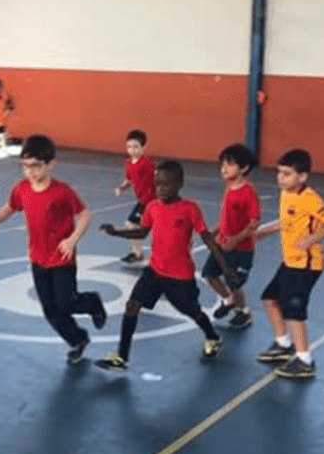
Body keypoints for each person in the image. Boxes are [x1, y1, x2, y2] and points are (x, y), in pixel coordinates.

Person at [0, 134, 107, 364]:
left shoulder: (62, 192)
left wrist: (73, 239)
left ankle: (93, 302)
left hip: (62, 259)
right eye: (25, 166)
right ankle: (77, 340)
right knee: (50, 309)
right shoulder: (22, 189)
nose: (30, 172)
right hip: (38, 259)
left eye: (35, 166)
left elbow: (84, 215)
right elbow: (9, 208)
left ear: (50, 164)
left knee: (65, 304)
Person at [95, 159, 236, 372]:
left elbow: (208, 239)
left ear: (179, 183)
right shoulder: (152, 207)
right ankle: (121, 358)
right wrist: (116, 232)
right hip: (154, 271)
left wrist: (224, 267)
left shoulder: (190, 209)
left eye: (165, 184)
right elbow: (142, 232)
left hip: (180, 277)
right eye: (156, 184)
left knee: (192, 311)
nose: (159, 189)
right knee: (132, 306)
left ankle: (212, 336)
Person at [254, 148, 324, 379]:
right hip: (290, 262)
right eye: (279, 172)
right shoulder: (286, 194)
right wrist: (265, 231)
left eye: (287, 174)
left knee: (294, 311)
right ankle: (283, 344)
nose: (281, 177)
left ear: (302, 176)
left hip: (306, 265)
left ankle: (304, 360)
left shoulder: (309, 198)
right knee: (270, 299)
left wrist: (311, 239)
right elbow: (287, 221)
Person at [203, 143, 261, 330]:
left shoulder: (248, 192)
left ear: (243, 168)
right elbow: (228, 216)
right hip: (222, 244)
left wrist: (237, 238)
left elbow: (254, 221)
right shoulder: (229, 186)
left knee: (234, 283)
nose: (223, 169)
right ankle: (228, 301)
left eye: (229, 164)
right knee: (209, 274)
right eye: (222, 165)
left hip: (240, 249)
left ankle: (243, 312)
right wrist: (216, 230)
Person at [113, 129, 155, 264]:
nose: (132, 150)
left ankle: (162, 257)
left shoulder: (147, 164)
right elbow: (129, 179)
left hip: (152, 202)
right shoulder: (129, 163)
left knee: (156, 230)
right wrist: (122, 187)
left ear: (144, 147)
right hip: (142, 202)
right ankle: (137, 254)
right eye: (129, 147)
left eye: (136, 147)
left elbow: (157, 178)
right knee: (131, 225)